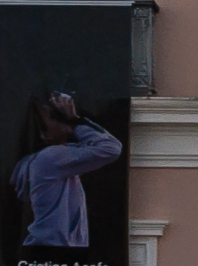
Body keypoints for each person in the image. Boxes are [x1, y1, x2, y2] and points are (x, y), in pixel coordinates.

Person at [12, 90, 122, 251]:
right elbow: (110, 148)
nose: (61, 117)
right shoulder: (52, 158)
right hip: (53, 248)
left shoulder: (42, 159)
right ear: (44, 134)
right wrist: (75, 121)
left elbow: (95, 147)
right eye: (54, 115)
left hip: (50, 248)